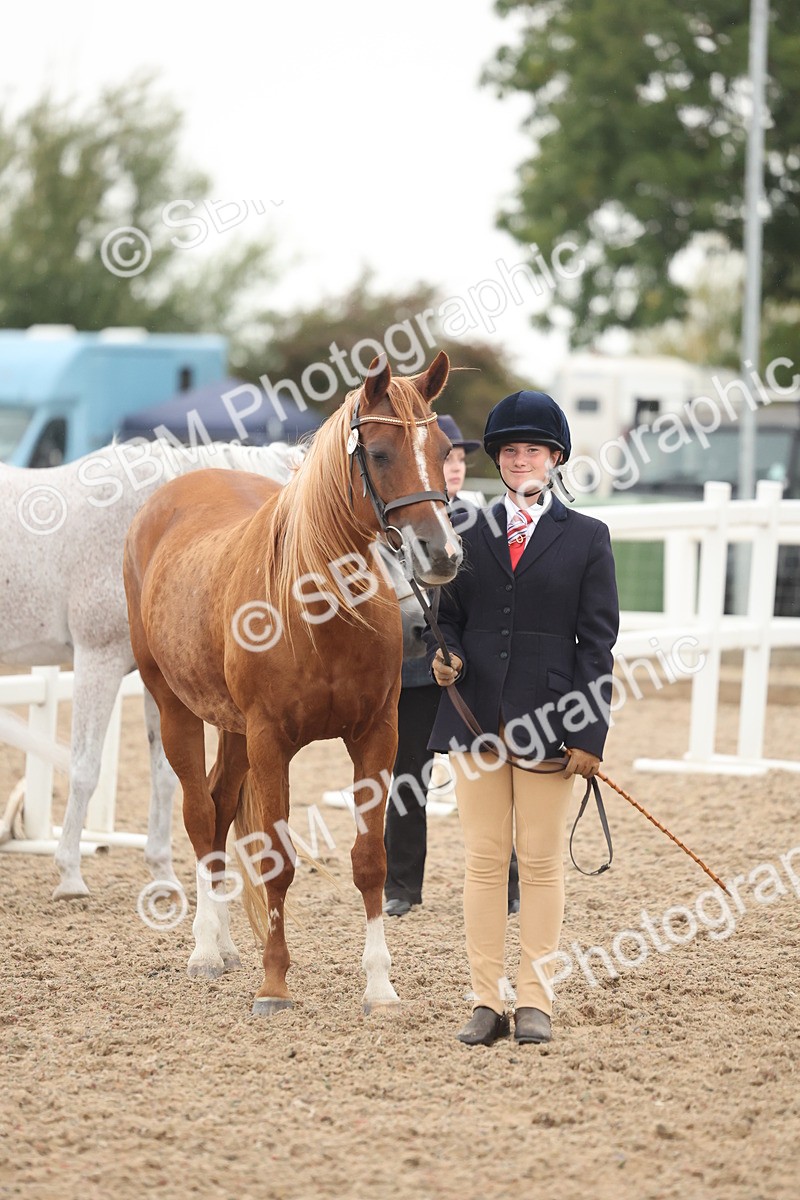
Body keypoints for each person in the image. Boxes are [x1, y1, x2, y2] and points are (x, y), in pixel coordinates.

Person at [423, 389, 619, 1047]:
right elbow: (447, 617)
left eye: (531, 449)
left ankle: (534, 1000)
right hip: (474, 716)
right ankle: (485, 1000)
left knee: (538, 863)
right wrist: (443, 653)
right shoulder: (467, 530)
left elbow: (597, 644)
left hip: (550, 725)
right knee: (482, 861)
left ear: (554, 457)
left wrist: (590, 733)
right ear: (500, 461)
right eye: (509, 450)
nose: (519, 458)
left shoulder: (587, 538)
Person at [383, 415, 482, 918]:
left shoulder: (480, 523)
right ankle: (401, 884)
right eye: (446, 460)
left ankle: (505, 881)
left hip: (470, 668)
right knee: (407, 778)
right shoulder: (398, 528)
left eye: (460, 459)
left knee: (488, 775)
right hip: (416, 670)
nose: (456, 468)